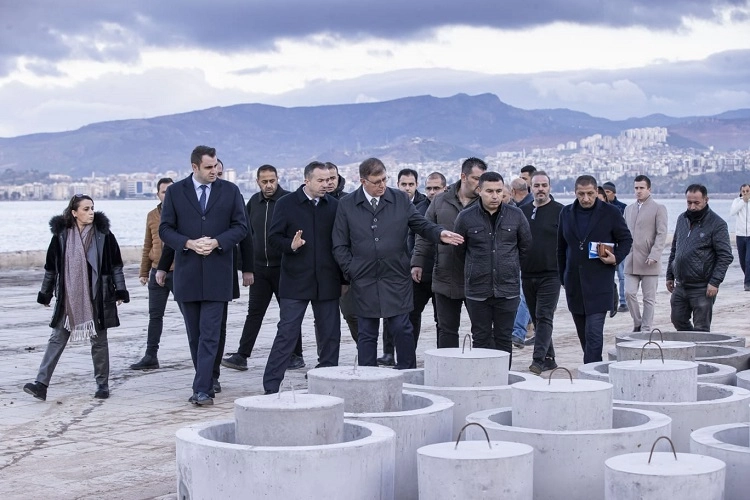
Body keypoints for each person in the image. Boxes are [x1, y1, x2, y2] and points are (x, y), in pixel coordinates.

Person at [333, 158, 463, 369]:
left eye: (384, 179)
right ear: (362, 180)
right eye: (376, 182)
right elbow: (339, 244)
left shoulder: (399, 199)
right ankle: (368, 378)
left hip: (395, 275)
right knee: (367, 332)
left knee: (402, 328)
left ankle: (407, 372)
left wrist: (440, 233)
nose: (382, 185)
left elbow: (420, 224)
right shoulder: (347, 205)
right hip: (364, 277)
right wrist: (352, 269)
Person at [159, 145, 247, 406]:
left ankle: (202, 389)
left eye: (215, 166)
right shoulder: (175, 192)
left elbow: (241, 227)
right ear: (195, 167)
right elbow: (165, 229)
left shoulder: (230, 191)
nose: (214, 171)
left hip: (218, 274)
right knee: (195, 335)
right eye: (208, 167)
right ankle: (205, 381)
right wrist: (188, 243)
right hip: (187, 274)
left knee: (210, 334)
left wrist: (217, 242)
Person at [24, 195, 129, 401]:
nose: (91, 212)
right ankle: (41, 385)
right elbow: (51, 268)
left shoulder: (104, 234)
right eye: (86, 209)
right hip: (68, 298)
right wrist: (45, 294)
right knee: (56, 339)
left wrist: (120, 291)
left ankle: (102, 385)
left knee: (99, 342)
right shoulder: (61, 236)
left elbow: (116, 265)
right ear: (74, 212)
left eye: (92, 208)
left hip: (97, 295)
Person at [263, 161, 342, 394]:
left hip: (327, 280)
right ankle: (271, 386)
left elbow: (341, 242)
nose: (326, 185)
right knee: (287, 333)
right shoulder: (285, 204)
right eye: (320, 181)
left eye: (329, 180)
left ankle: (328, 382)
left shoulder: (335, 206)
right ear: (307, 180)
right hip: (295, 280)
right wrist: (291, 244)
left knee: (330, 335)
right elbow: (273, 239)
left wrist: (345, 279)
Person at [221, 165, 305, 372]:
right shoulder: (253, 204)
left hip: (284, 268)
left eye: (272, 181)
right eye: (264, 181)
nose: (269, 185)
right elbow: (245, 236)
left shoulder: (288, 201)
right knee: (254, 312)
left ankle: (296, 354)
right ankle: (242, 355)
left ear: (278, 179)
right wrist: (245, 267)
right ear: (257, 182)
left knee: (289, 314)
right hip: (259, 269)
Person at [454, 172, 531, 359]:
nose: (495, 196)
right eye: (489, 191)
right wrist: (477, 267)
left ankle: (503, 379)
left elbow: (526, 247)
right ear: (479, 190)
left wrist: (510, 266)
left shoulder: (516, 215)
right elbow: (459, 251)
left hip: (507, 289)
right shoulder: (465, 218)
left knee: (504, 338)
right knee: (480, 338)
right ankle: (484, 381)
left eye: (498, 191)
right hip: (477, 290)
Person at [412, 158, 486, 348]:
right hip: (446, 275)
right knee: (446, 329)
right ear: (463, 176)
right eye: (476, 178)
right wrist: (417, 261)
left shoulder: (485, 203)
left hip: (477, 279)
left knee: (482, 330)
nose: (480, 184)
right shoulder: (440, 200)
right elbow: (425, 232)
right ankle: (446, 372)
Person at [558, 175, 632, 364]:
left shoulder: (611, 212)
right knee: (583, 335)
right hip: (574, 284)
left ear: (596, 192)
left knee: (594, 334)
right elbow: (560, 247)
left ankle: (591, 373)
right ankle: (593, 366)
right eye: (581, 194)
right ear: (575, 193)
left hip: (600, 283)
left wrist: (616, 258)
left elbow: (626, 239)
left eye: (590, 194)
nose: (586, 198)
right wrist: (562, 278)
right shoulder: (566, 213)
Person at [378, 168, 428, 366]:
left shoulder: (423, 205)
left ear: (416, 185)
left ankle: (408, 353)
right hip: (393, 266)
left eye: (411, 184)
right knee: (389, 313)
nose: (407, 188)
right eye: (403, 184)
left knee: (410, 314)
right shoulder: (388, 202)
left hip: (414, 266)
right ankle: (388, 352)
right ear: (397, 184)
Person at [666, 184, 733, 331]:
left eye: (696, 202)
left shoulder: (717, 224)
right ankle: (689, 348)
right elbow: (675, 249)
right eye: (689, 202)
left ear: (706, 200)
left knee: (701, 328)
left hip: (702, 287)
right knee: (677, 320)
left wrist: (715, 282)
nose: (692, 207)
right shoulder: (681, 219)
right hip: (681, 284)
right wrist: (669, 275)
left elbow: (725, 256)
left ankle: (700, 350)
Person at [520, 171, 563, 374]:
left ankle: (537, 361)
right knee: (537, 319)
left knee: (544, 315)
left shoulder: (560, 212)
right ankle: (550, 358)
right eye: (537, 186)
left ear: (549, 187)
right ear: (531, 188)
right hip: (527, 273)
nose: (540, 189)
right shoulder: (523, 211)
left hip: (551, 273)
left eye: (544, 185)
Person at [130, 178, 174, 370]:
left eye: (171, 191)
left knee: (190, 316)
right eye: (164, 192)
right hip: (156, 271)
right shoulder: (151, 215)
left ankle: (200, 356)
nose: (167, 195)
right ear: (158, 194)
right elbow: (148, 244)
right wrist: (144, 271)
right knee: (155, 316)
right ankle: (150, 356)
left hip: (177, 272)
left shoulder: (182, 214)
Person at [623, 175, 668, 333]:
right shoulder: (628, 209)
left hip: (650, 261)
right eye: (636, 188)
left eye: (642, 188)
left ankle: (646, 329)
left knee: (649, 299)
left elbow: (662, 234)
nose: (638, 191)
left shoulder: (658, 208)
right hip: (631, 260)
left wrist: (655, 254)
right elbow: (623, 234)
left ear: (649, 189)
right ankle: (638, 322)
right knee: (629, 293)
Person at [602, 181, 628, 313]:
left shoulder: (623, 208)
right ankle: (611, 301)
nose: (606, 194)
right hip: (606, 247)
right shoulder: (599, 208)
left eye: (608, 192)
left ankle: (623, 302)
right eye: (604, 192)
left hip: (619, 247)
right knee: (608, 277)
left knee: (622, 275)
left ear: (614, 193)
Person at [729, 183, 750, 291]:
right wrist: (743, 201)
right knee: (742, 261)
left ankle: (747, 284)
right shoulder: (737, 201)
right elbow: (732, 212)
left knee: (748, 260)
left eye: (747, 191)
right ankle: (748, 277)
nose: (745, 193)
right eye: (743, 191)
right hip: (740, 235)